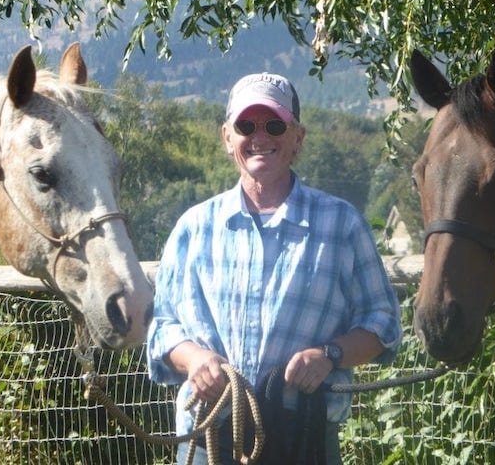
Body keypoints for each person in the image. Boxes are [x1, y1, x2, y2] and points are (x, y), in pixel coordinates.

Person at [147, 72, 402, 464]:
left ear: (297, 137)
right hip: (208, 436)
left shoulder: (343, 224)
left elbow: (382, 324)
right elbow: (163, 328)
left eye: (275, 125)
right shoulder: (193, 227)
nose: (260, 136)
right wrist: (194, 359)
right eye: (246, 125)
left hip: (305, 437)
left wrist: (329, 355)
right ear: (227, 137)